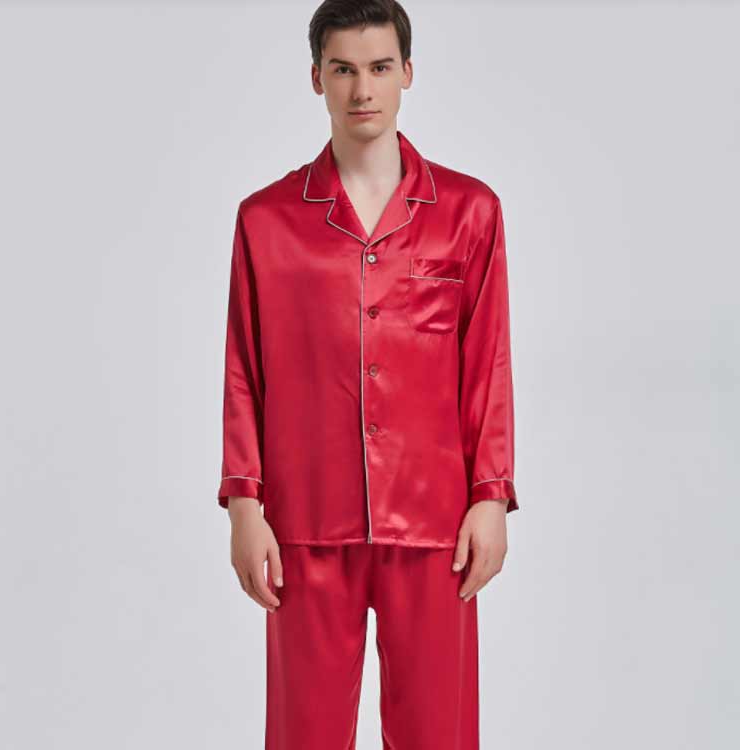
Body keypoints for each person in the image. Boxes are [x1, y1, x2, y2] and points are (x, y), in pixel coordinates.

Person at [216, 1, 519, 747]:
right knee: (305, 733)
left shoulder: (470, 213)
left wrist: (491, 496)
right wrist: (245, 504)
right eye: (344, 70)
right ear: (316, 77)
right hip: (307, 520)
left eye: (380, 68)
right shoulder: (266, 220)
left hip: (436, 521)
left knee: (437, 733)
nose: (362, 90)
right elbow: (244, 369)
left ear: (407, 73)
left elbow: (488, 363)